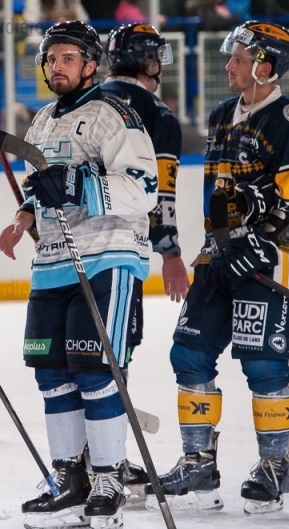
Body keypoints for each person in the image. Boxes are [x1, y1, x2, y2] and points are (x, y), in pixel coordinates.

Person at [0, 20, 157, 529]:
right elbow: (41, 186)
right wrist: (23, 216)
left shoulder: (115, 115)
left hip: (106, 255)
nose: (55, 66)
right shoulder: (41, 120)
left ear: (91, 64)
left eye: (67, 57)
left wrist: (80, 182)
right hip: (52, 262)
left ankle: (107, 477)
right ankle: (70, 479)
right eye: (50, 58)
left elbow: (144, 188)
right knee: (52, 376)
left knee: (95, 370)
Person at [146, 21, 289, 515]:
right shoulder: (219, 116)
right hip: (218, 259)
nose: (228, 65)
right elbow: (216, 198)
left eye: (237, 57)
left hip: (266, 263)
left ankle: (275, 466)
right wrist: (212, 245)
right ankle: (198, 462)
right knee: (189, 354)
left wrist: (262, 243)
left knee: (263, 365)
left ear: (265, 65)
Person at [101, 22, 189, 495]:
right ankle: (110, 465)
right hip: (122, 255)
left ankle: (86, 462)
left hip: (69, 252)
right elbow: (163, 194)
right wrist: (170, 251)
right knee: (114, 356)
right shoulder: (158, 114)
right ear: (151, 62)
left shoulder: (88, 102)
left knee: (74, 360)